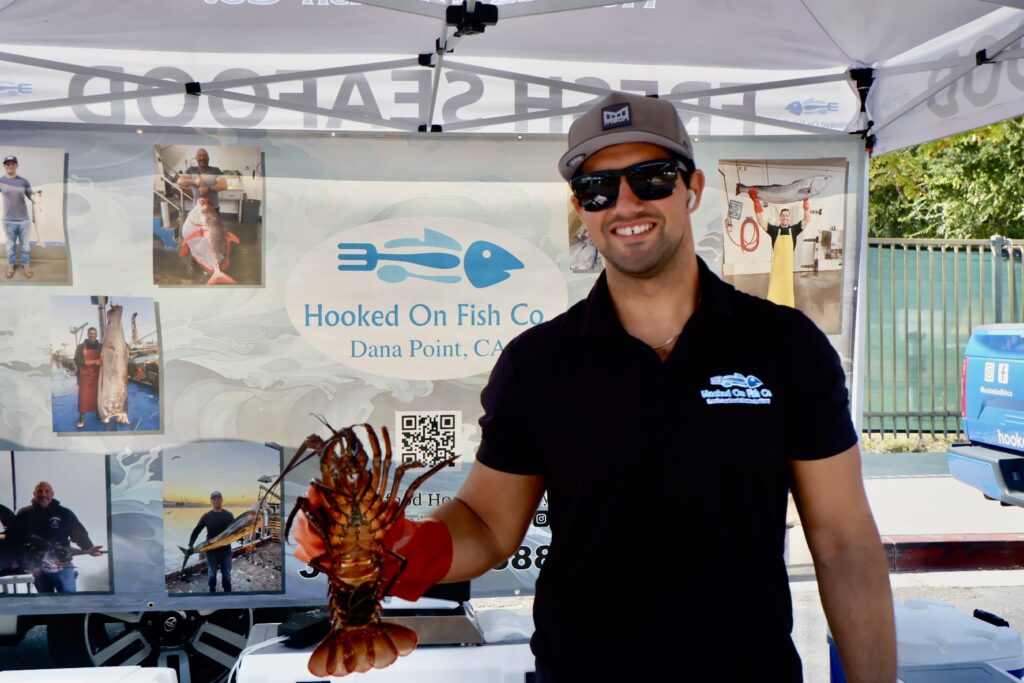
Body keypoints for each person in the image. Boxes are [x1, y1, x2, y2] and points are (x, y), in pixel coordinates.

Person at [295, 92, 895, 681]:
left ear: (694, 189)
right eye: (597, 188)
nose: (625, 203)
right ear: (581, 209)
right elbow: (486, 521)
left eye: (652, 178)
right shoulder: (537, 364)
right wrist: (408, 547)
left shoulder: (786, 346)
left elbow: (844, 542)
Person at [13, 482, 103, 593]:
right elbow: (16, 537)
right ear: (34, 494)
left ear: (52, 494)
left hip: (62, 566)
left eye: (47, 491)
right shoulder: (24, 513)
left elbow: (79, 534)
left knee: (68, 602)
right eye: (40, 491)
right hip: (37, 568)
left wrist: (89, 547)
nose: (43, 494)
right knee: (46, 603)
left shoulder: (65, 513)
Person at [749, 188, 814, 307]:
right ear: (780, 217)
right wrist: (756, 203)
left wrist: (806, 204)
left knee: (787, 299)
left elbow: (807, 219)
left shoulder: (794, 230)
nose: (785, 218)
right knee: (773, 297)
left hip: (788, 272)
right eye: (783, 216)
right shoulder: (774, 231)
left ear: (789, 218)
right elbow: (761, 222)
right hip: (776, 272)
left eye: (787, 216)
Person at [188, 491, 234, 593]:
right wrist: (190, 545)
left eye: (218, 498)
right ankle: (211, 592)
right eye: (214, 499)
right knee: (212, 574)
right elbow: (196, 531)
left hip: (226, 550)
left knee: (226, 574)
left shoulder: (229, 515)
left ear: (222, 500)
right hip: (210, 551)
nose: (216, 500)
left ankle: (228, 594)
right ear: (211, 501)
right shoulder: (206, 516)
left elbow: (235, 531)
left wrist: (241, 537)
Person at [1, 154, 39, 280]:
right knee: (10, 245)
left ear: (16, 166)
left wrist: (38, 198)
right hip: (8, 220)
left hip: (24, 220)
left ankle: (26, 265)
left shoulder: (24, 181)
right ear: (4, 166)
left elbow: (31, 196)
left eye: (12, 164)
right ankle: (11, 266)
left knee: (25, 246)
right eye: (7, 164)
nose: (10, 166)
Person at [73, 326, 102, 429]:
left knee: (98, 396)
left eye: (94, 333)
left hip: (98, 376)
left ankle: (99, 412)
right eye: (90, 333)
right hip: (84, 376)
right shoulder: (80, 346)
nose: (92, 335)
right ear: (87, 334)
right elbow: (77, 360)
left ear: (97, 334)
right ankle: (82, 416)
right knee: (83, 397)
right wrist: (94, 362)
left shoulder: (101, 346)